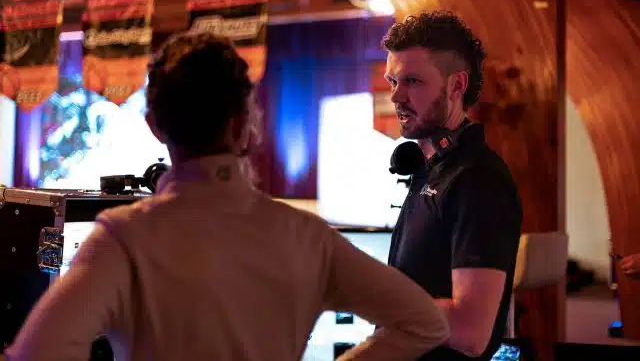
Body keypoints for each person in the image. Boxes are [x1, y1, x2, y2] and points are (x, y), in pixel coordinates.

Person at [2, 32, 449, 361]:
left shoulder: (123, 240)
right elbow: (424, 323)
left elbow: (35, 354)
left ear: (155, 126)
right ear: (244, 125)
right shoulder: (305, 235)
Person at [382, 11, 523, 361]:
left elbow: (470, 331)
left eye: (412, 81)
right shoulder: (429, 171)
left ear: (456, 85)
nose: (396, 97)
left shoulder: (476, 180)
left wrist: (366, 294)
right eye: (392, 82)